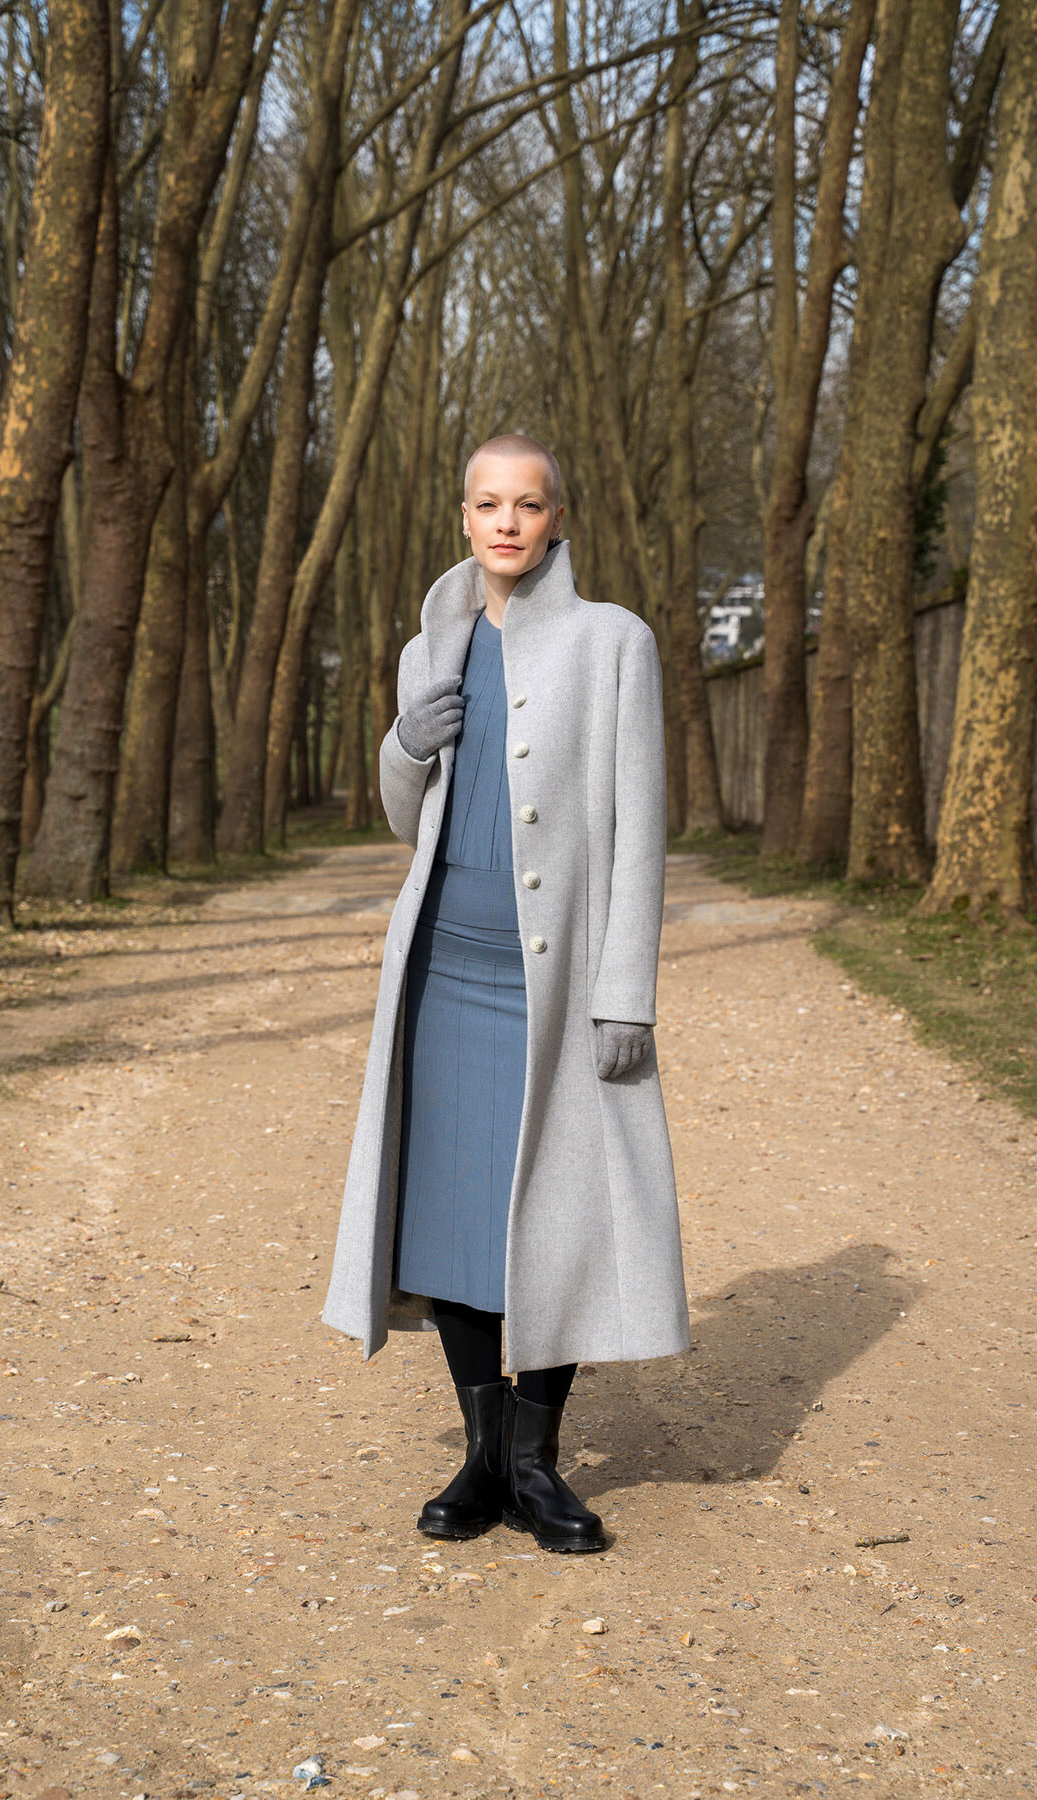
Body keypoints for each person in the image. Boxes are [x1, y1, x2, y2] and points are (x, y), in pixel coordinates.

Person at [321, 432, 689, 1553]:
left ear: (559, 517)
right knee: (457, 1214)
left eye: (529, 505)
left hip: (555, 983)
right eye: (489, 503)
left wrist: (625, 992)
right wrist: (402, 740)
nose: (508, 523)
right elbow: (405, 821)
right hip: (440, 967)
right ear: (464, 515)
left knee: (559, 1209)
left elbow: (638, 836)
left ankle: (537, 1463)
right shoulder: (425, 647)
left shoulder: (614, 645)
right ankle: (481, 1456)